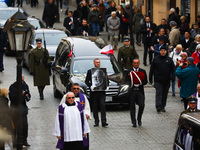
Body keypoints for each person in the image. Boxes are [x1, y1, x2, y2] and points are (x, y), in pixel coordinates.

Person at [149, 47, 175, 112]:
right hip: (158, 80)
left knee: (164, 94)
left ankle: (163, 106)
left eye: (164, 51)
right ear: (160, 51)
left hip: (166, 80)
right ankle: (158, 106)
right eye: (162, 51)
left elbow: (173, 70)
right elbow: (152, 69)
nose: (163, 52)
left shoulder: (169, 60)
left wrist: (173, 77)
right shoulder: (156, 59)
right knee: (159, 93)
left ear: (166, 51)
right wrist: (150, 78)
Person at [85, 58, 108, 127]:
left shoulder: (103, 71)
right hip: (94, 92)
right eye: (97, 62)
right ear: (94, 63)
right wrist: (90, 86)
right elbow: (86, 81)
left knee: (103, 106)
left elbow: (106, 79)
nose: (98, 63)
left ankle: (104, 121)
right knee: (95, 107)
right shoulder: (90, 71)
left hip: (101, 92)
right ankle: (96, 121)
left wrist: (107, 86)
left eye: (99, 62)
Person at [9, 76, 31, 147]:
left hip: (23, 109)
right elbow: (12, 98)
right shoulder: (12, 87)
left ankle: (24, 140)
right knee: (14, 126)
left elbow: (28, 97)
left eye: (23, 80)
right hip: (15, 110)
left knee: (25, 125)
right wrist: (19, 94)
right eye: (21, 81)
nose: (22, 82)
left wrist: (26, 95)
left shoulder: (25, 85)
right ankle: (14, 142)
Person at [125, 59, 147, 127]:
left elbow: (146, 81)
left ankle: (139, 119)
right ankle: (133, 122)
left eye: (137, 63)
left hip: (140, 91)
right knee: (132, 107)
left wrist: (140, 83)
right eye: (135, 63)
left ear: (139, 63)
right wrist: (131, 83)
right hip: (132, 91)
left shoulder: (143, 71)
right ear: (132, 64)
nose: (136, 64)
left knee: (141, 105)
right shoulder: (129, 71)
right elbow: (126, 80)